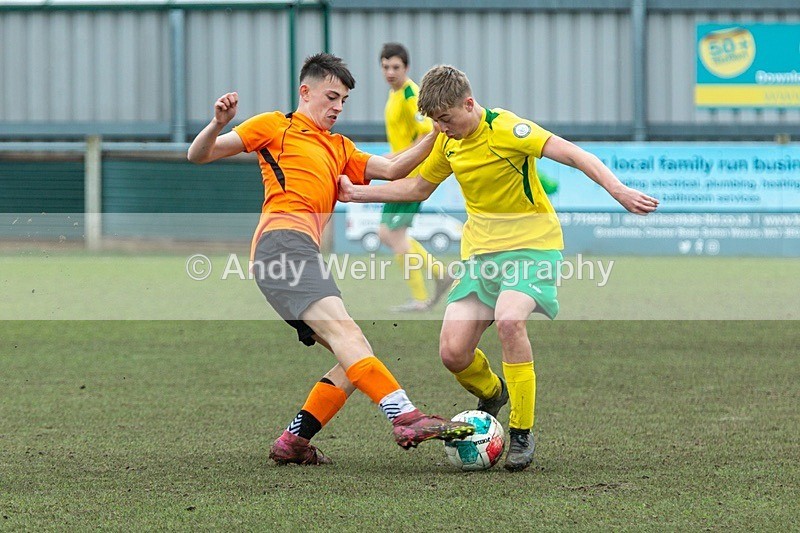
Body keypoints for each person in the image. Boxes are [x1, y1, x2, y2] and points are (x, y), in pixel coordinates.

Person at [339, 64, 659, 472]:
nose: (442, 128)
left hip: (533, 247)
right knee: (453, 353)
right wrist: (357, 194)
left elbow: (574, 154)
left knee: (510, 320)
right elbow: (417, 187)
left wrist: (618, 189)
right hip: (481, 257)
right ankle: (493, 393)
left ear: (469, 104)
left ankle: (521, 431)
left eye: (447, 119)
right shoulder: (445, 139)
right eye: (435, 122)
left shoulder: (508, 129)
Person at [187, 54, 473, 466]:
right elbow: (200, 155)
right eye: (332, 97)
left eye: (344, 101)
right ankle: (405, 417)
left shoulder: (339, 147)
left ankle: (293, 441)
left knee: (353, 356)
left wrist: (435, 132)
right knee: (349, 339)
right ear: (306, 92)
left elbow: (393, 169)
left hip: (295, 253)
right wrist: (217, 123)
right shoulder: (275, 126)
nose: (338, 107)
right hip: (282, 244)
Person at [377, 42, 451, 312]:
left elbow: (426, 135)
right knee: (389, 234)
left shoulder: (411, 94)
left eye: (395, 67)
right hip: (399, 173)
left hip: (411, 173)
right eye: (385, 66)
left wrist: (393, 158)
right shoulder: (394, 94)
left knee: (392, 235)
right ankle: (439, 275)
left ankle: (422, 295)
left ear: (406, 68)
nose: (390, 72)